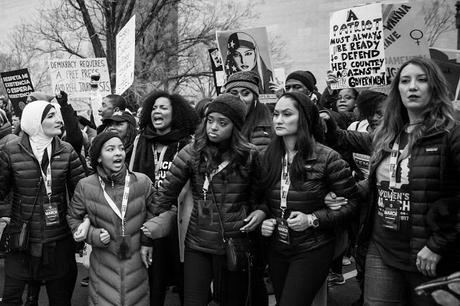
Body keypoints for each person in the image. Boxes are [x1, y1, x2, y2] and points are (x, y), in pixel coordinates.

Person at [324, 57, 460, 305]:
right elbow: (378, 186)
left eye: (422, 80)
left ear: (435, 88)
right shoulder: (386, 135)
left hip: (427, 253)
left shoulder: (451, 134)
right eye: (405, 81)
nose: (413, 86)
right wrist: (346, 194)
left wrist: (438, 245)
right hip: (382, 248)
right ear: (397, 90)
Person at [144, 94, 268, 306]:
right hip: (197, 243)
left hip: (234, 243)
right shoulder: (192, 152)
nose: (213, 127)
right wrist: (146, 237)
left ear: (235, 126)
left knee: (233, 301)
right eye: (210, 120)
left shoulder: (251, 156)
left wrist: (262, 211)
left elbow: (261, 196)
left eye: (222, 123)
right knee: (194, 301)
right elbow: (164, 195)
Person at [260, 92, 358, 306]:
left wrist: (312, 219)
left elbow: (351, 205)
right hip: (277, 246)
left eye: (287, 114)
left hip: (312, 248)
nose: (278, 120)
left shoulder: (328, 158)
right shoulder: (267, 156)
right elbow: (262, 198)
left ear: (303, 118)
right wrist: (265, 217)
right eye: (276, 114)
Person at [0, 101, 85, 306]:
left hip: (58, 237)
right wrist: (5, 216)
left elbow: (81, 193)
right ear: (34, 121)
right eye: (50, 116)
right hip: (22, 238)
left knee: (60, 298)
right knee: (12, 298)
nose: (58, 120)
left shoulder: (67, 151)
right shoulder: (10, 150)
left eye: (58, 115)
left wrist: (79, 221)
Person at [67, 131, 154, 306]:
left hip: (137, 266)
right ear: (98, 157)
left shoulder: (142, 182)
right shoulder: (85, 186)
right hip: (103, 269)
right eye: (110, 149)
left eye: (121, 148)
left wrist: (147, 241)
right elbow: (73, 218)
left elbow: (157, 212)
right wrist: (94, 235)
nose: (118, 153)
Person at [129, 91, 198, 306]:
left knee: (183, 279)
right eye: (154, 108)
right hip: (147, 219)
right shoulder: (141, 141)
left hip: (178, 222)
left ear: (175, 113)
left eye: (163, 108)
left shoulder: (188, 143)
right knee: (153, 281)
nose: (157, 111)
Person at [225, 71, 272, 151]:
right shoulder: (222, 123)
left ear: (254, 98)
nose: (239, 98)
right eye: (234, 93)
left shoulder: (265, 129)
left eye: (245, 93)